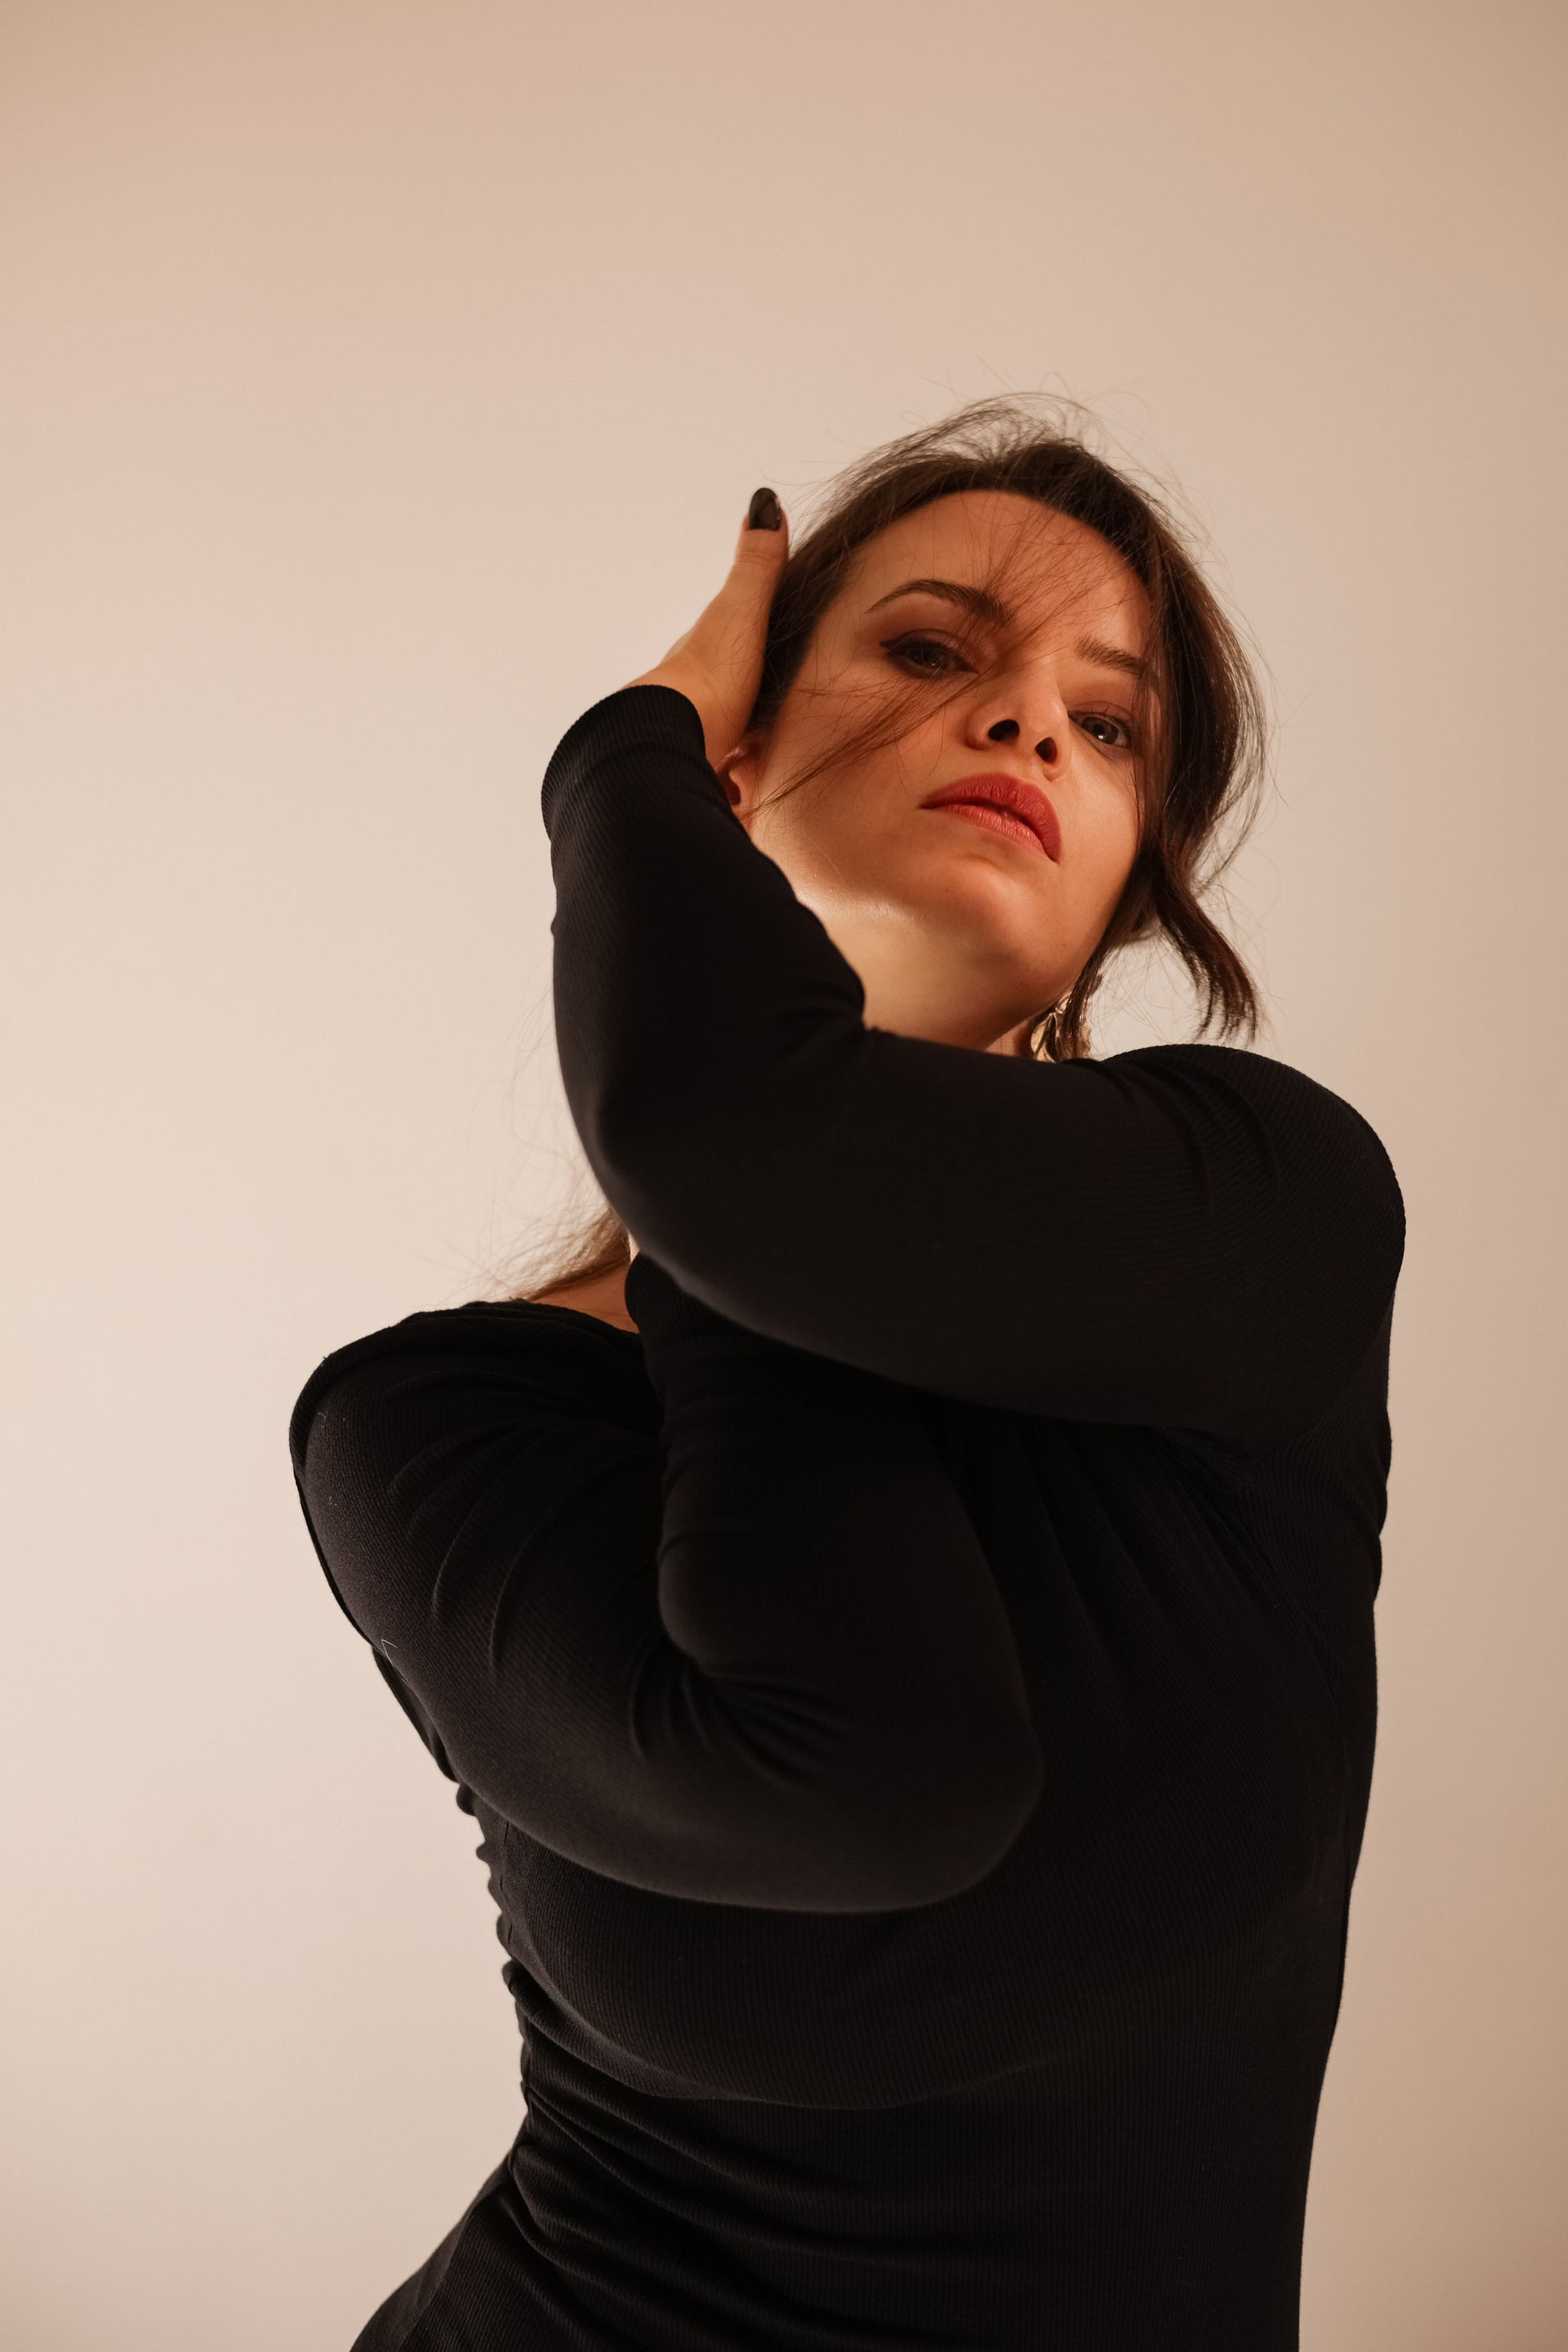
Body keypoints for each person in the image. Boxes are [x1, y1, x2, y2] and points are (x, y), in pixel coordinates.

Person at [291, 400, 1404, 2350]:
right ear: (730, 767)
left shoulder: (1268, 1216)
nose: (1029, 720)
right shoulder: (436, 1423)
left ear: (1126, 884)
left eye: (1109, 723)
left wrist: (625, 780)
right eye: (930, 647)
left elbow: (754, 1157)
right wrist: (666, 809)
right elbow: (868, 1783)